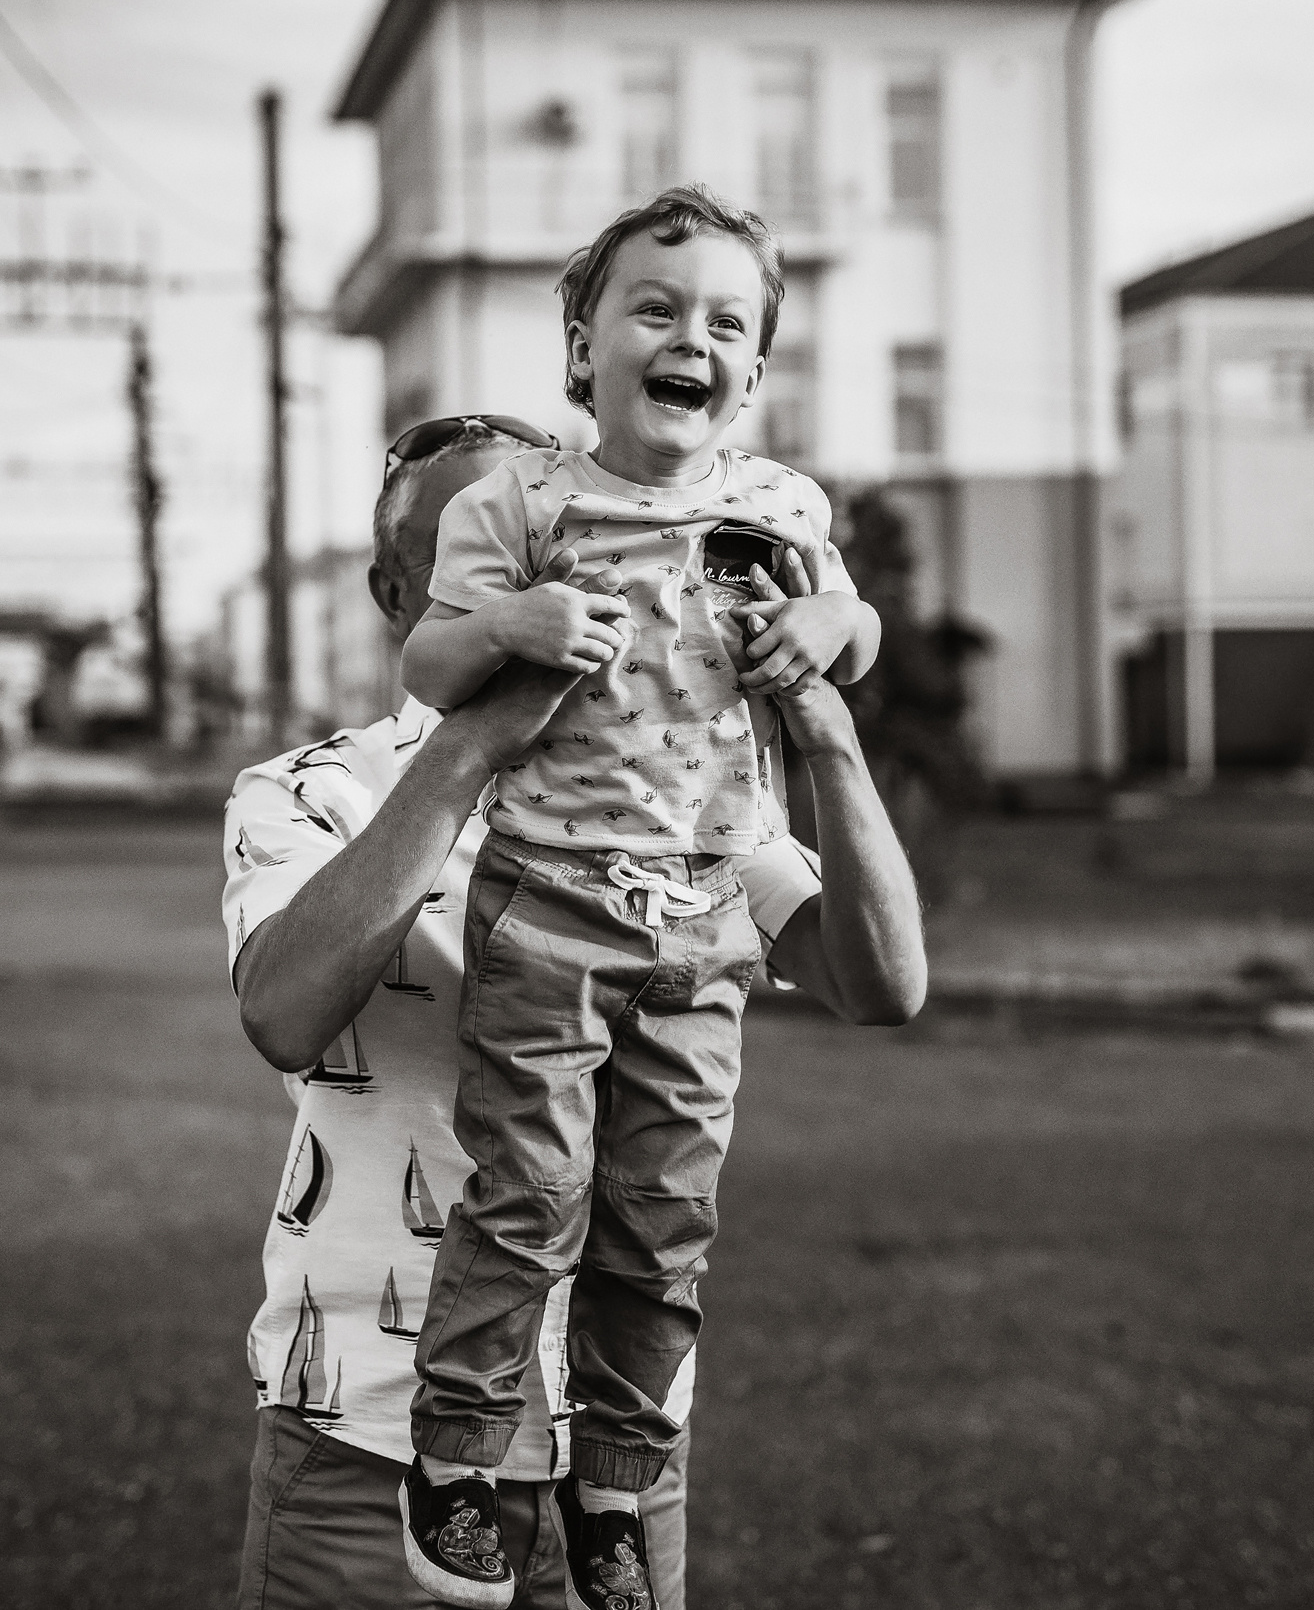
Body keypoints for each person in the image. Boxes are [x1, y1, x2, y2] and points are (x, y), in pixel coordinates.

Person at [227, 413, 926, 1610]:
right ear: (404, 587)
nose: (554, 575)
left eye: (571, 545)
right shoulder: (312, 789)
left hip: (613, 1457)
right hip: (365, 1432)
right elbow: (287, 1014)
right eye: (486, 548)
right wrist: (484, 736)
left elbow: (882, 983)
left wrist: (826, 740)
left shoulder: (680, 804)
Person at [391, 187, 886, 1610]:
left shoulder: (780, 504)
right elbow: (432, 663)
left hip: (709, 914)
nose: (693, 338)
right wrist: (507, 625)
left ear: (756, 369)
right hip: (548, 895)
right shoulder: (523, 500)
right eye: (656, 309)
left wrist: (825, 625)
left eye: (729, 321)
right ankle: (465, 1452)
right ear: (582, 346)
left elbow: (851, 625)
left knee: (662, 1213)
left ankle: (614, 1480)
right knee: (534, 1189)